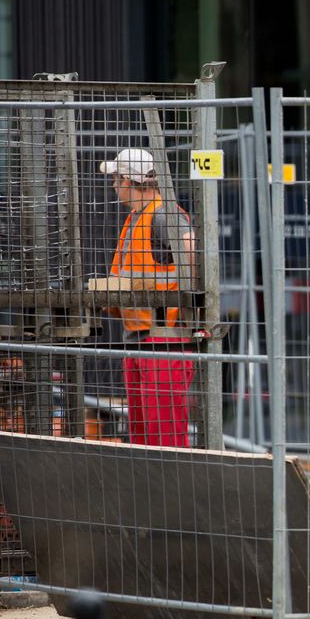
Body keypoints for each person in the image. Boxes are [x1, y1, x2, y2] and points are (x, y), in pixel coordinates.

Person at [99, 148, 197, 447]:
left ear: (128, 181)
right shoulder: (138, 217)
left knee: (164, 432)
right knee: (143, 434)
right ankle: (152, 492)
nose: (114, 186)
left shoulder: (163, 214)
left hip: (164, 339)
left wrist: (184, 302)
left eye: (116, 180)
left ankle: (173, 492)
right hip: (141, 338)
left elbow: (190, 248)